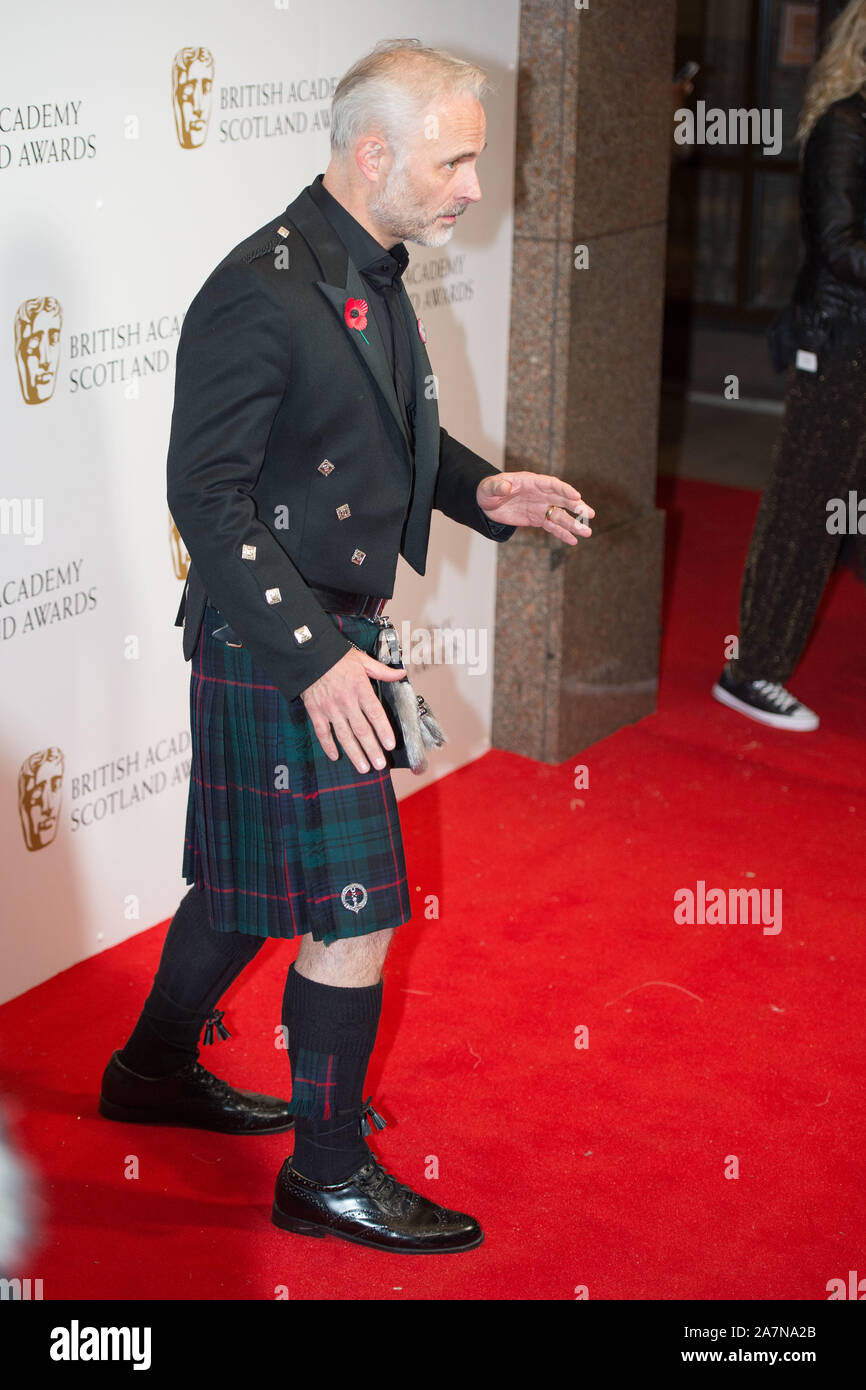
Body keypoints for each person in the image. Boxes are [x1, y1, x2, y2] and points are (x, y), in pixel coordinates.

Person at [98, 37, 594, 1255]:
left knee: (235, 883)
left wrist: (483, 492)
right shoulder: (259, 286)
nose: (473, 186)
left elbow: (372, 432)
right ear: (373, 151)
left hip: (321, 635)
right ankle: (323, 1175)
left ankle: (150, 1072)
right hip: (286, 642)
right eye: (455, 159)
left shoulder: (360, 260)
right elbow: (204, 496)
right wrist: (317, 658)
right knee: (357, 909)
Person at [712, 0, 866, 731]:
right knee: (806, 512)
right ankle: (751, 671)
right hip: (839, 346)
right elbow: (839, 247)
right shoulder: (844, 126)